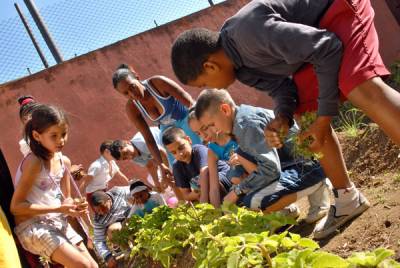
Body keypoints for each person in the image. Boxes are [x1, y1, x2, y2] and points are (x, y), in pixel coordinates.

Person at [169, 0, 400, 237]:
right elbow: (283, 89)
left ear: (210, 66)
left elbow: (326, 47)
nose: (208, 88)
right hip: (315, 44)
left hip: (337, 10)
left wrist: (324, 119)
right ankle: (347, 198)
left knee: (361, 87)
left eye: (204, 84)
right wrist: (283, 117)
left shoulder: (248, 33)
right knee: (305, 117)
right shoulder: (241, 70)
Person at [194, 89, 330, 223]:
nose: (213, 131)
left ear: (225, 110)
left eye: (211, 125)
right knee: (236, 175)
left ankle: (317, 183)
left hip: (305, 165)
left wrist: (237, 191)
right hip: (289, 164)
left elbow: (270, 169)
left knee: (252, 200)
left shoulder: (246, 126)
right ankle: (286, 211)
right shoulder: (238, 122)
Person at [10, 104, 97, 267]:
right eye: (54, 136)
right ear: (37, 136)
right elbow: (16, 207)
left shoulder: (64, 162)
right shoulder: (34, 162)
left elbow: (67, 199)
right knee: (83, 265)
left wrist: (74, 206)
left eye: (64, 134)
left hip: (56, 221)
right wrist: (59, 209)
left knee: (92, 265)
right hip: (31, 226)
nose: (61, 140)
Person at [111, 64, 201, 177]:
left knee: (198, 153)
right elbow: (149, 140)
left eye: (132, 86)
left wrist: (202, 128)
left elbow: (191, 104)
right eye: (126, 93)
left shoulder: (157, 83)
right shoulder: (132, 108)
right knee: (178, 168)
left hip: (185, 119)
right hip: (167, 131)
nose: (132, 94)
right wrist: (161, 165)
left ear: (137, 77)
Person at [109, 127, 183, 200]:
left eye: (126, 153)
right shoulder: (134, 157)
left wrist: (164, 175)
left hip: (167, 142)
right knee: (168, 180)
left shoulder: (141, 143)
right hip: (161, 155)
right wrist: (157, 185)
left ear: (127, 142)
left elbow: (162, 152)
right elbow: (150, 166)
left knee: (171, 174)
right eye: (125, 158)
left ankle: (186, 197)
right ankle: (183, 201)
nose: (129, 156)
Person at [162, 127, 231, 203]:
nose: (180, 154)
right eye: (174, 152)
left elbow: (205, 174)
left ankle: (225, 206)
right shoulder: (177, 166)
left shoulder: (200, 150)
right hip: (205, 188)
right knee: (199, 193)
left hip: (227, 178)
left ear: (188, 140)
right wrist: (195, 193)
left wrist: (203, 202)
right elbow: (186, 195)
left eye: (181, 147)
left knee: (208, 182)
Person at [90, 187, 132, 268]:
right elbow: (99, 240)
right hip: (120, 228)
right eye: (98, 211)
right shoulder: (98, 219)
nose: (102, 212)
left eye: (103, 208)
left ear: (109, 200)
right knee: (113, 230)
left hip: (133, 218)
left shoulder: (119, 192)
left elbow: (135, 189)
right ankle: (128, 251)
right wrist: (107, 256)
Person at [80, 140, 129, 205]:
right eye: (113, 150)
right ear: (107, 151)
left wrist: (130, 184)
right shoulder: (96, 166)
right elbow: (85, 183)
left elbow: (120, 175)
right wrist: (79, 198)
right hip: (94, 196)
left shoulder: (112, 162)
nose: (116, 152)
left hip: (104, 192)